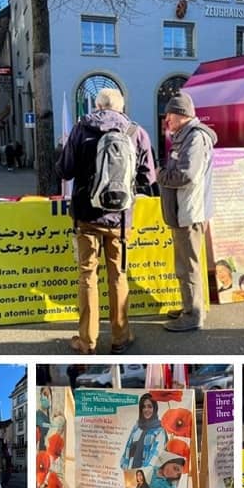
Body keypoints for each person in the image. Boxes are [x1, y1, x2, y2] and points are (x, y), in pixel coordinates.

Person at [59, 88, 155, 355]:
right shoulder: (136, 132)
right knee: (118, 275)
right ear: (121, 108)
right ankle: (120, 338)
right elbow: (149, 178)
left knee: (87, 276)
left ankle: (87, 342)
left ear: (98, 105)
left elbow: (65, 170)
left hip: (87, 215)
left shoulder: (81, 128)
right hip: (121, 218)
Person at [159, 92, 217, 332]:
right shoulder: (187, 136)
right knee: (184, 264)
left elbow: (187, 175)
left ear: (180, 115)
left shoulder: (194, 138)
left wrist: (160, 175)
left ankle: (193, 315)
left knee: (188, 265)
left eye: (169, 116)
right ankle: (189, 307)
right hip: (185, 211)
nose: (166, 121)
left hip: (189, 212)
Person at [120, 393, 167, 469]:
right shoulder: (137, 427)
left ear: (155, 408)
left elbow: (155, 457)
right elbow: (127, 450)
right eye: (143, 407)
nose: (146, 410)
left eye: (150, 406)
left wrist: (142, 473)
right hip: (130, 470)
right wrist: (125, 468)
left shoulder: (159, 431)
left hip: (146, 474)